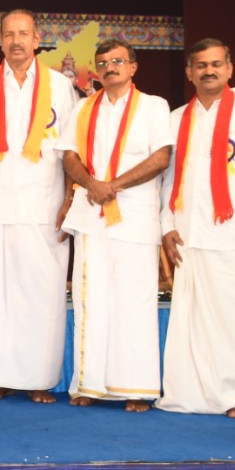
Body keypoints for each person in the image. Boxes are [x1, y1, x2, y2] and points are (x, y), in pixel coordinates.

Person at [156, 39, 235, 417]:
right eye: (201, 65)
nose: (208, 71)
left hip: (234, 235)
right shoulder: (176, 118)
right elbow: (167, 179)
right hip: (188, 234)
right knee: (189, 318)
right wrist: (166, 225)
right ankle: (188, 393)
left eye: (215, 64)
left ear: (229, 69)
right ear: (189, 73)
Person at [0, 9, 76, 404]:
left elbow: (72, 151)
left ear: (36, 39)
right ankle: (0, 376)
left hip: (46, 208)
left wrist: (69, 201)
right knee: (1, 297)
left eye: (23, 34)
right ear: (0, 41)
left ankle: (39, 380)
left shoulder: (61, 87)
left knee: (43, 296)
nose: (16, 41)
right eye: (9, 34)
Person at [62, 41, 173, 412]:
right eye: (103, 63)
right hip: (91, 214)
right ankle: (89, 384)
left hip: (135, 216)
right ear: (96, 71)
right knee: (90, 300)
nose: (110, 67)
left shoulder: (154, 106)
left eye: (118, 61)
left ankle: (137, 388)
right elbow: (69, 157)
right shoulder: (83, 108)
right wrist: (93, 184)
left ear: (133, 67)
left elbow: (161, 158)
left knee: (134, 302)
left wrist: (113, 185)